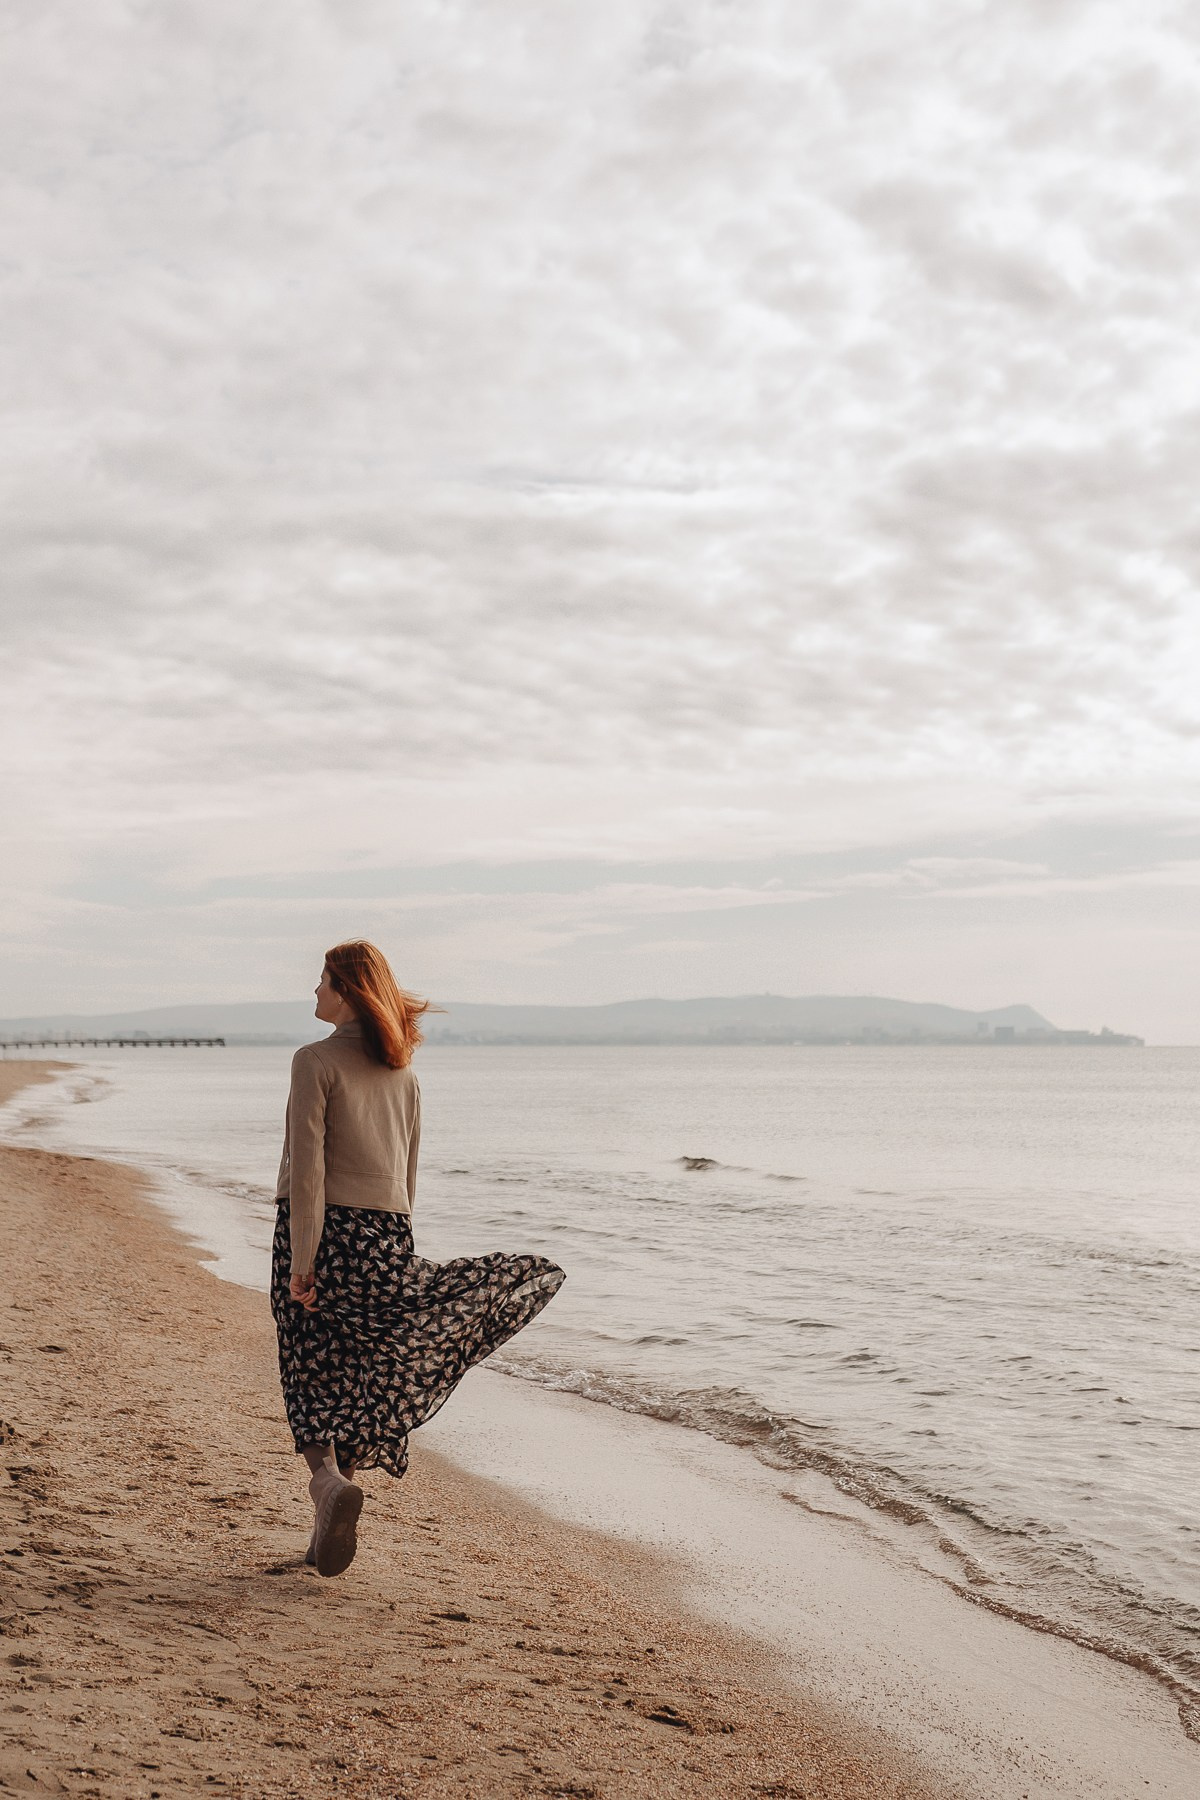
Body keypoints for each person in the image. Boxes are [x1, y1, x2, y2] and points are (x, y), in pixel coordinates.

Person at [271, 939, 565, 1577]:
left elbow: (309, 1171)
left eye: (323, 980)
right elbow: (407, 1177)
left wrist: (303, 1260)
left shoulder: (312, 1060)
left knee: (307, 1367)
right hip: (386, 1236)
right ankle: (324, 1531)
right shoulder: (403, 1073)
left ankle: (325, 1483)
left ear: (347, 992)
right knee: (359, 1372)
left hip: (323, 1232)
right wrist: (395, 1253)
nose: (315, 991)